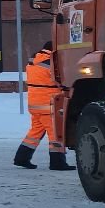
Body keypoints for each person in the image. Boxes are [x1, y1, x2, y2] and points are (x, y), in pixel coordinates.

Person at [15, 42, 72, 171]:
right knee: (55, 134)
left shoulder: (33, 61)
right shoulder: (52, 63)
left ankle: (21, 158)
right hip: (48, 104)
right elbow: (61, 80)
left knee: (34, 133)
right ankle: (57, 163)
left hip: (35, 104)